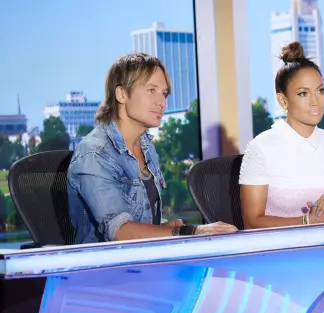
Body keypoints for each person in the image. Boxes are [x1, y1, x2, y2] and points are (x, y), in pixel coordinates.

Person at [67, 53, 237, 244]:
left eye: (164, 93)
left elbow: (141, 217)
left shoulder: (146, 147)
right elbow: (120, 231)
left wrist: (162, 228)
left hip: (144, 260)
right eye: (151, 90)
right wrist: (191, 231)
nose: (162, 102)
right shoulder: (94, 154)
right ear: (122, 94)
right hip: (105, 268)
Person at [239, 42, 324, 229]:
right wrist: (307, 221)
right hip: (278, 251)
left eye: (320, 91)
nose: (316, 101)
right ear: (283, 100)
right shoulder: (261, 147)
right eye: (303, 93)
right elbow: (252, 222)